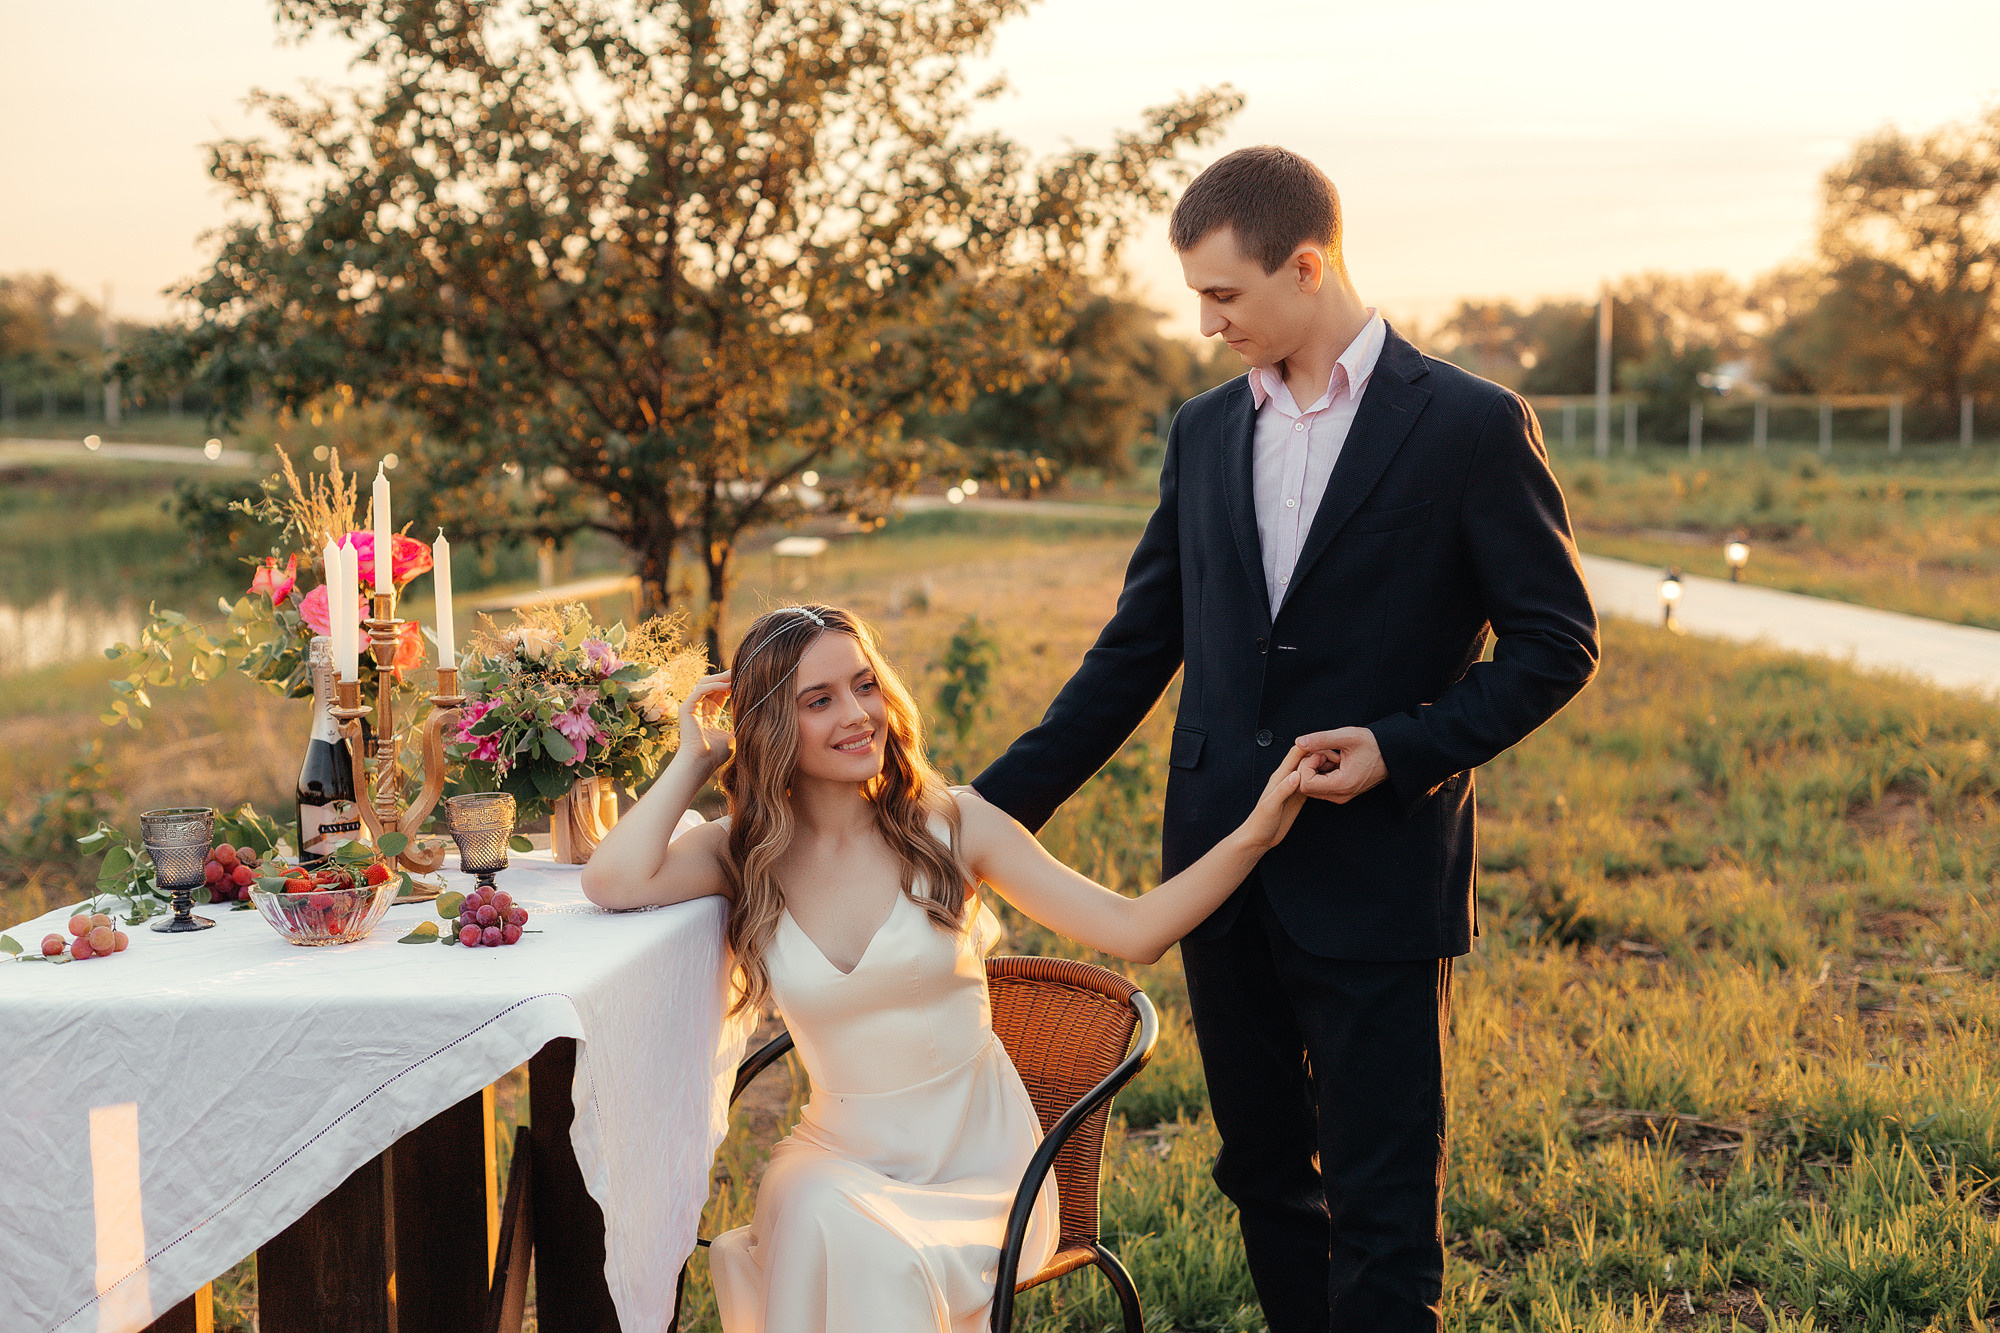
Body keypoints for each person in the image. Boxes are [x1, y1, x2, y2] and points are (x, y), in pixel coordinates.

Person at [973, 146, 1601, 1331]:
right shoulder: (1203, 431)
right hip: (1219, 868)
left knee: (1379, 1198)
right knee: (1261, 1173)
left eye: (1223, 296)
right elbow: (1131, 650)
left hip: (1377, 871)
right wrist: (975, 815)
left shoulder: (1469, 424)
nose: (1205, 323)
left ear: (1305, 266)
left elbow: (1553, 642)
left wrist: (1401, 744)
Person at [582, 604, 1311, 1333]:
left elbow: (1136, 929)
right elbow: (612, 881)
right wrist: (695, 759)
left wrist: (1256, 833)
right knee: (816, 1204)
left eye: (865, 684)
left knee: (859, 1238)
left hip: (978, 1169)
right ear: (772, 728)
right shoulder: (742, 852)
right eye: (820, 700)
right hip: (836, 1155)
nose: (857, 713)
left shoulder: (954, 825)